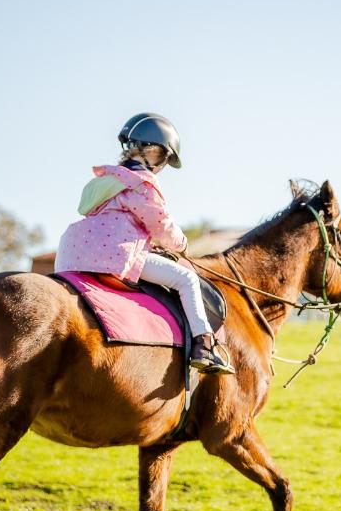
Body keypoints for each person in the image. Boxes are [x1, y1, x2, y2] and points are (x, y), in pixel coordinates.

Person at [55, 112, 234, 374]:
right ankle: (204, 346)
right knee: (186, 279)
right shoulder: (143, 184)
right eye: (163, 157)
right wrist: (182, 245)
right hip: (113, 257)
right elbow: (161, 224)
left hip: (73, 255)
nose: (162, 165)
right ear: (152, 150)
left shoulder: (106, 181)